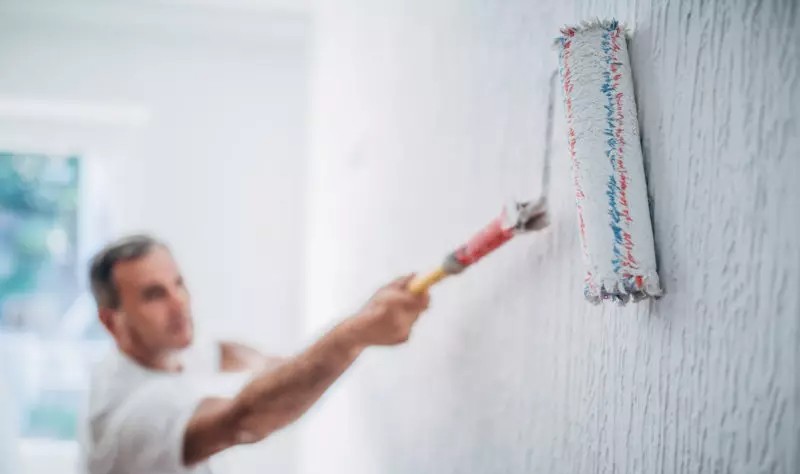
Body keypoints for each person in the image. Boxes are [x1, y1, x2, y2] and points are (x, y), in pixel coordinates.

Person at [79, 234, 429, 474]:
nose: (180, 303)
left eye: (179, 284)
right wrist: (354, 334)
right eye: (154, 295)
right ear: (112, 322)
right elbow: (242, 421)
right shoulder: (128, 419)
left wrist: (359, 327)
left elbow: (240, 357)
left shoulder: (166, 350)